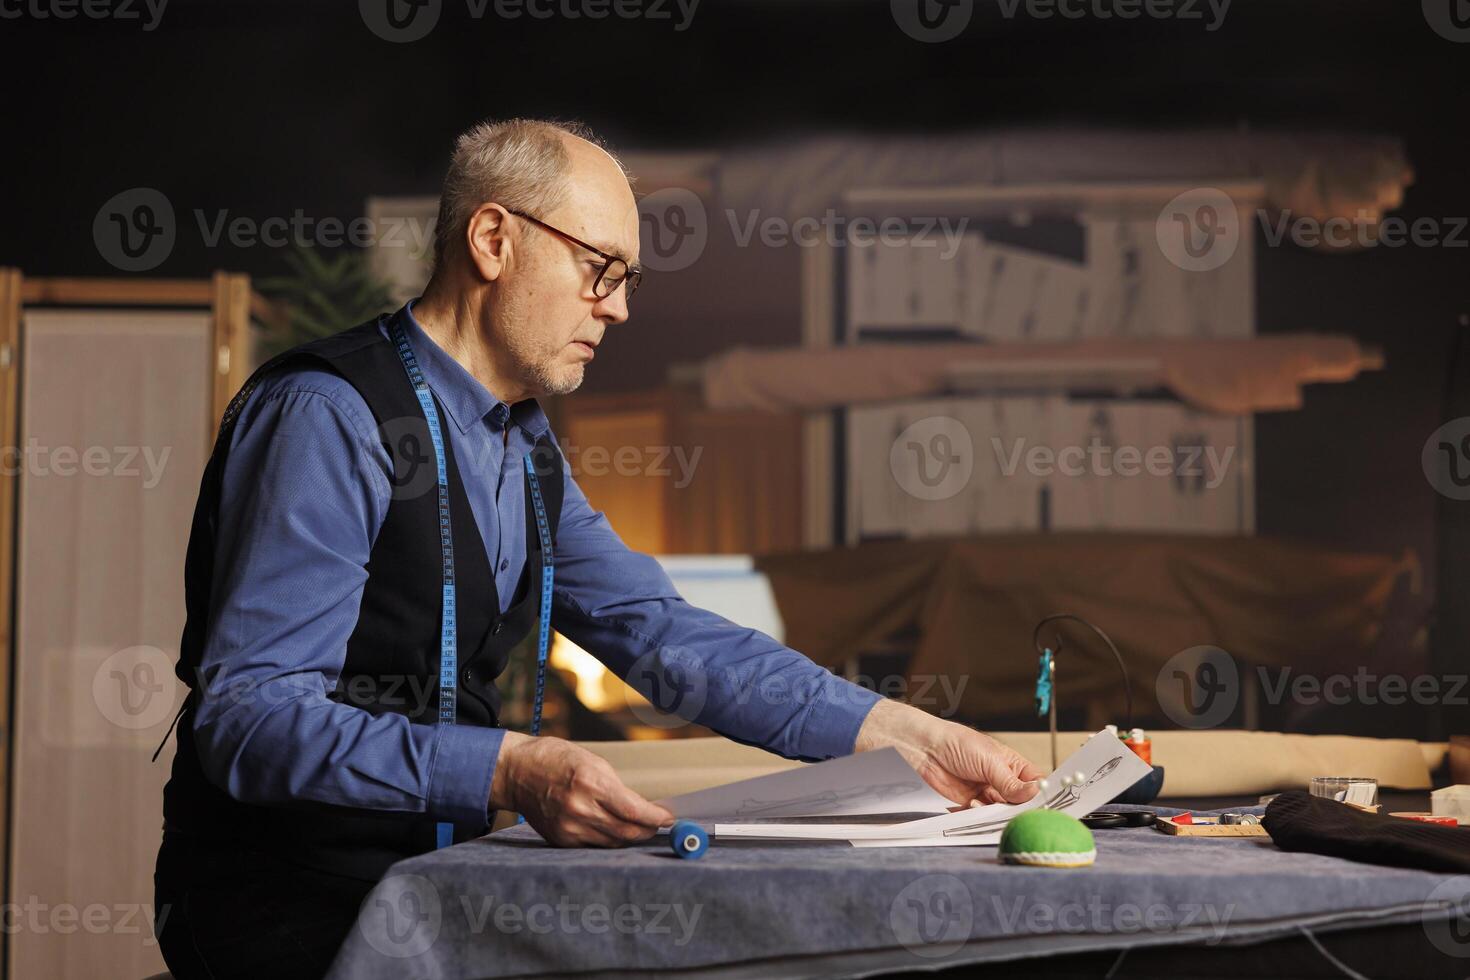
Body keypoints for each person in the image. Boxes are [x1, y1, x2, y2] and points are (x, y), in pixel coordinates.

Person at [153, 117, 1042, 980]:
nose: (616, 307)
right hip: (281, 899)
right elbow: (251, 720)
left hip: (428, 886)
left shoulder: (522, 443)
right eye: (598, 268)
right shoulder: (328, 416)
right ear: (495, 240)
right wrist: (507, 768)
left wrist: (907, 736)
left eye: (626, 279)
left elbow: (661, 633)